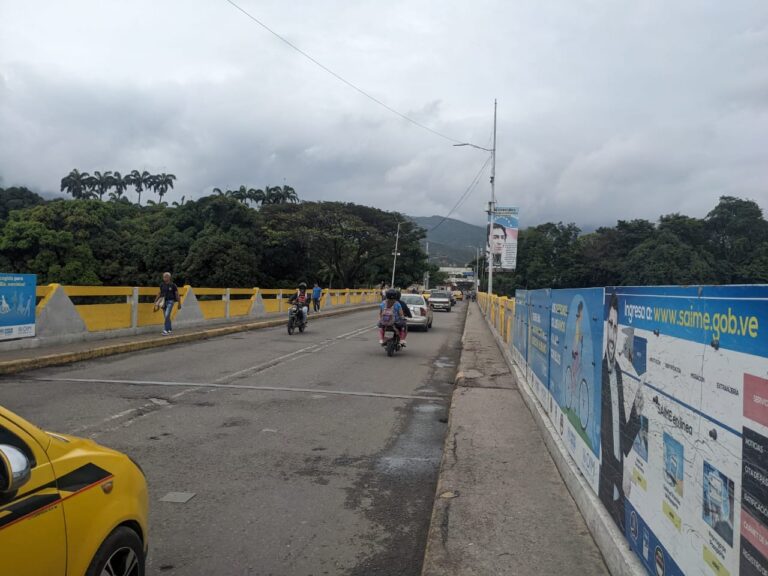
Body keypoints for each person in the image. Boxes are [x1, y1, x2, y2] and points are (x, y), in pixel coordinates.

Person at [599, 292, 643, 532]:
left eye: (617, 327)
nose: (613, 332)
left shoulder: (617, 373)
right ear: (606, 327)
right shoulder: (600, 372)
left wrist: (636, 413)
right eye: (611, 325)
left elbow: (622, 437)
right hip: (605, 477)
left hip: (619, 482)